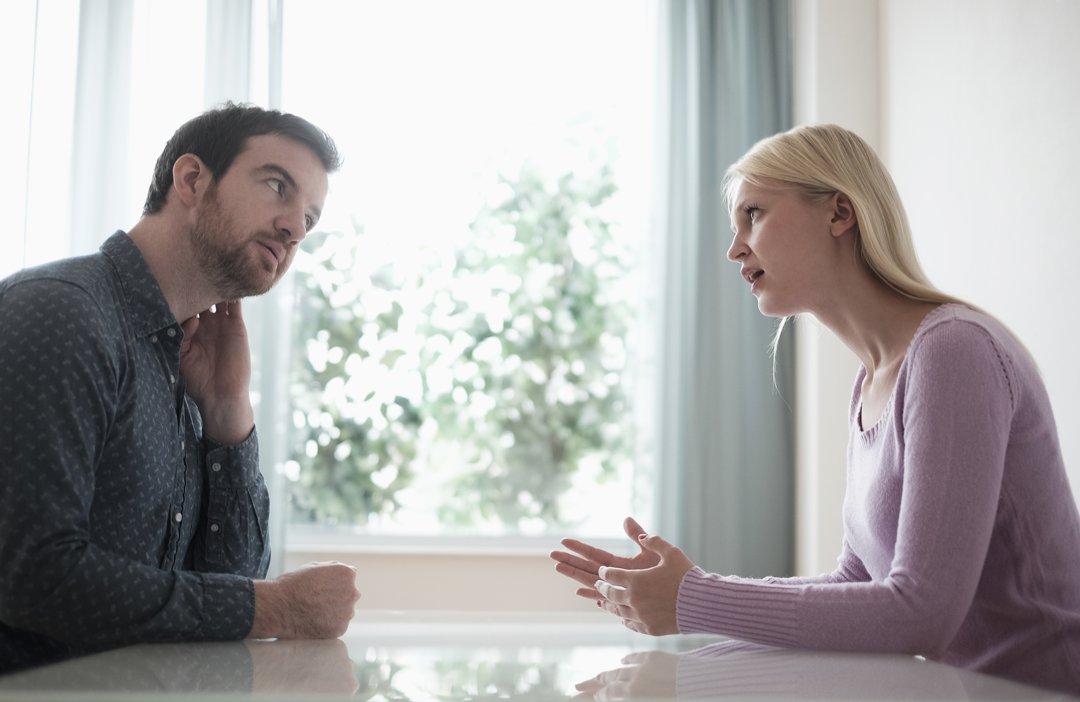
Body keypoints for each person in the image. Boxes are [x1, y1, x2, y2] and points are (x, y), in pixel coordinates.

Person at [550, 124, 1080, 695]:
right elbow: (857, 583)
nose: (734, 249)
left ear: (839, 213)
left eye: (754, 214)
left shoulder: (955, 351)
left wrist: (693, 600)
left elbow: (920, 613)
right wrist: (675, 664)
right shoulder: (873, 381)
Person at [0, 103, 361, 673]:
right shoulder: (62, 312)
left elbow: (234, 574)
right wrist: (275, 609)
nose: (295, 228)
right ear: (192, 180)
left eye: (309, 219)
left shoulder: (187, 359)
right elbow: (33, 576)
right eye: (276, 186)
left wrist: (227, 412)